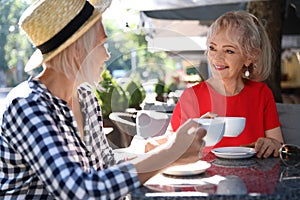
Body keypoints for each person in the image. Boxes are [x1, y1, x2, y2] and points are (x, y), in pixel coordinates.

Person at [0, 0, 206, 199]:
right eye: (102, 44)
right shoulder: (27, 105)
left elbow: (103, 163)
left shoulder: (85, 97)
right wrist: (169, 154)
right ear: (78, 50)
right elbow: (80, 191)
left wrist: (149, 150)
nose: (107, 55)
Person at [169, 10, 284, 159]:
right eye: (212, 48)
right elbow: (172, 149)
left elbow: (279, 146)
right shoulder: (191, 97)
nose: (217, 57)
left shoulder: (261, 93)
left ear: (250, 57)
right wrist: (195, 131)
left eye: (229, 51)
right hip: (205, 177)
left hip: (253, 178)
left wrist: (272, 145)